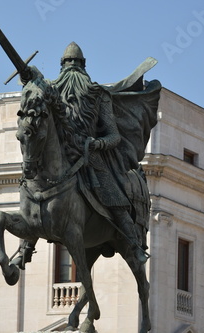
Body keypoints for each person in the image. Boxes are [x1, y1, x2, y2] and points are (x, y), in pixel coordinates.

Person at [52, 42, 148, 264]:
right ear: (61, 67)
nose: (72, 67)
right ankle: (27, 247)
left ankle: (133, 243)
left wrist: (96, 144)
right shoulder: (52, 92)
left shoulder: (98, 95)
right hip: (61, 156)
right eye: (68, 63)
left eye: (75, 63)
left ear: (84, 67)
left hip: (90, 158)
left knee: (114, 194)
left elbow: (114, 136)